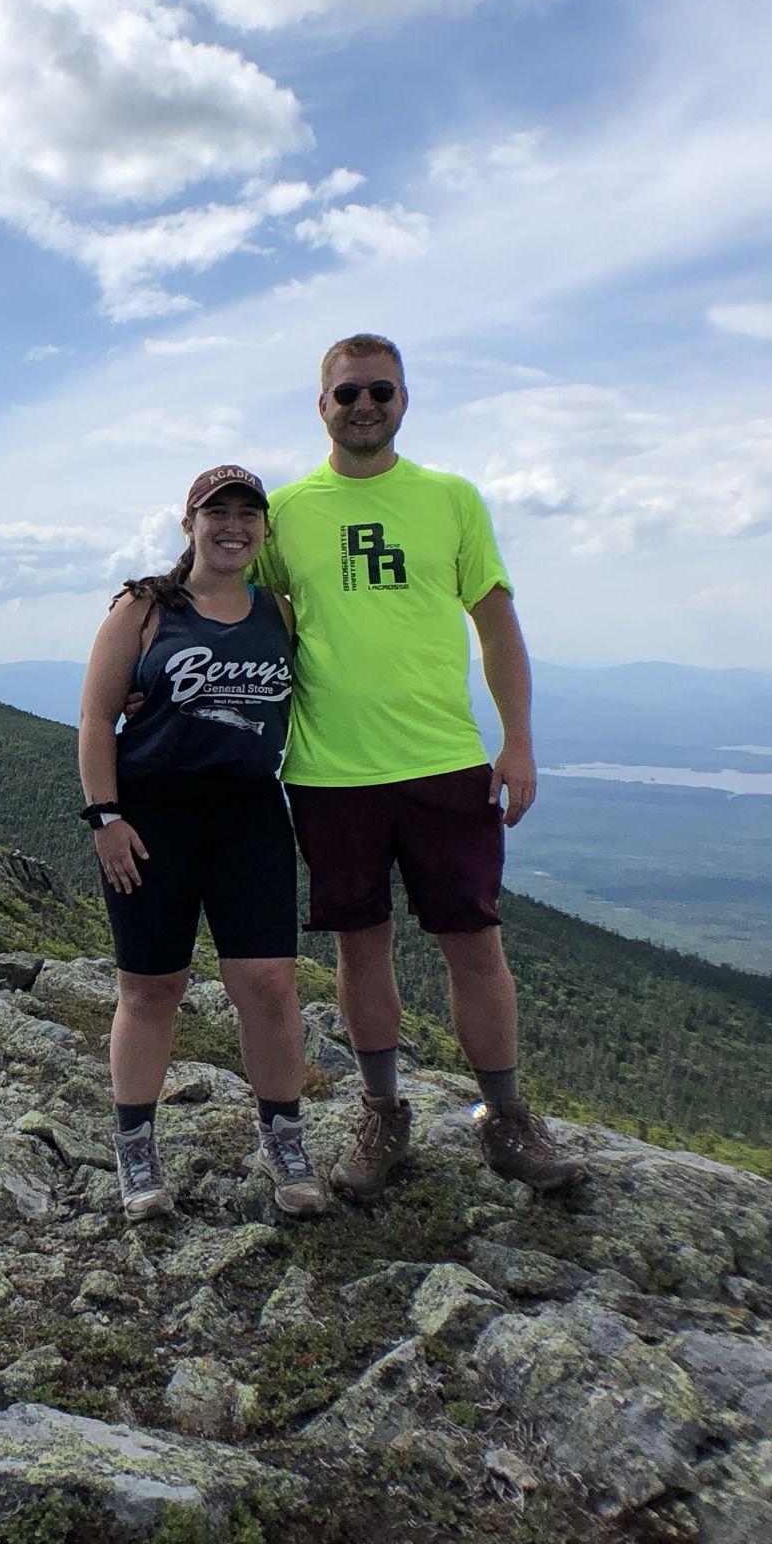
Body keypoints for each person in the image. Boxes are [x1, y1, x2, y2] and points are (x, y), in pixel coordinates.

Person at [252, 332, 587, 1198]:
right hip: (329, 771)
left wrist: (517, 741)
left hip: (444, 762)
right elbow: (242, 617)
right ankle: (381, 1112)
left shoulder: (451, 500)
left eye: (382, 393)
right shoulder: (284, 512)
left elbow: (497, 623)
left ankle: (507, 1121)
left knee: (474, 943)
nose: (365, 406)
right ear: (320, 404)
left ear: (405, 401)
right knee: (362, 951)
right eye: (348, 393)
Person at [77, 465, 327, 1222]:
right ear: (188, 522)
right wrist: (104, 817)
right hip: (153, 816)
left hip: (249, 813)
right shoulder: (145, 607)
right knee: (152, 987)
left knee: (269, 985)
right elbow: (94, 717)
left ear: (264, 530)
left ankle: (282, 1137)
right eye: (217, 512)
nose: (233, 526)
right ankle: (136, 1147)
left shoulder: (279, 610)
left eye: (248, 514)